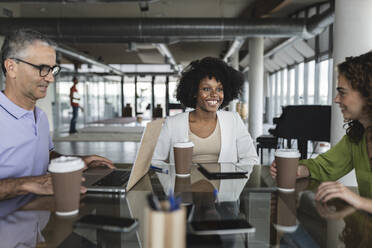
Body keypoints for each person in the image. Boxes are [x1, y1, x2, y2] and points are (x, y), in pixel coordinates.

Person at [0, 29, 114, 200]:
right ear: (11, 67)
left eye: (52, 70)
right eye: (43, 68)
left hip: (39, 218)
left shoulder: (40, 117)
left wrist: (75, 161)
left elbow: (44, 156)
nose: (51, 79)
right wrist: (22, 184)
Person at [270, 51, 372, 214]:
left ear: (368, 94)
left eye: (342, 92)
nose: (336, 99)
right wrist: (300, 170)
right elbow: (325, 166)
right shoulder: (357, 137)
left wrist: (358, 201)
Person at [152, 57, 258, 170]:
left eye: (219, 89)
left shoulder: (233, 120)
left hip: (224, 186)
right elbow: (156, 161)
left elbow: (250, 158)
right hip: (185, 186)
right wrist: (173, 177)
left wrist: (233, 176)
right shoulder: (172, 123)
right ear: (194, 92)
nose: (214, 94)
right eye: (206, 89)